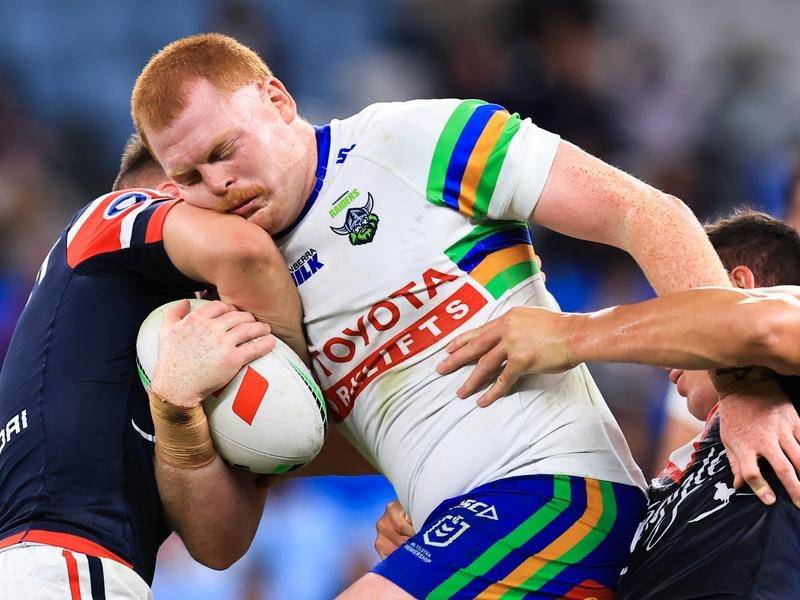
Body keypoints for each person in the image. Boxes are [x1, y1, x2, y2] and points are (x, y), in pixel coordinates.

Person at [131, 33, 741, 598]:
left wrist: (743, 396)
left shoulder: (417, 141)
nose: (219, 183)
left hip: (569, 500)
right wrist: (175, 412)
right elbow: (220, 542)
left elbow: (646, 213)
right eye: (189, 177)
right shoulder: (237, 300)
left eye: (224, 150)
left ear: (277, 99)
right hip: (462, 539)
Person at [376, 210, 800, 598]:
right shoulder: (666, 490)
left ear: (740, 287)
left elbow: (761, 326)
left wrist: (568, 335)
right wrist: (444, 558)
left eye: (673, 309)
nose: (668, 362)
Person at [0, 133, 305, 598]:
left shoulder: (192, 338)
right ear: (168, 194)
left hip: (92, 571)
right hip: (62, 567)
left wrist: (177, 414)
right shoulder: (102, 221)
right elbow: (246, 252)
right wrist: (295, 374)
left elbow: (219, 546)